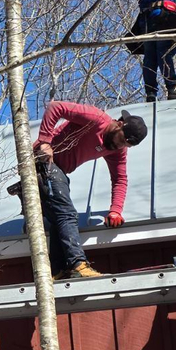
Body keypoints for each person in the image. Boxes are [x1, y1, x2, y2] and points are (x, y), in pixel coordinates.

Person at [32, 101, 148, 280]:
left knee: (59, 217)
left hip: (58, 171)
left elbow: (120, 179)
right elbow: (55, 107)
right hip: (41, 160)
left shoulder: (117, 151)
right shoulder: (95, 118)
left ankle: (58, 271)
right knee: (68, 214)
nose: (120, 146)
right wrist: (45, 142)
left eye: (126, 145)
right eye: (121, 140)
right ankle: (78, 264)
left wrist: (115, 210)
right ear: (118, 124)